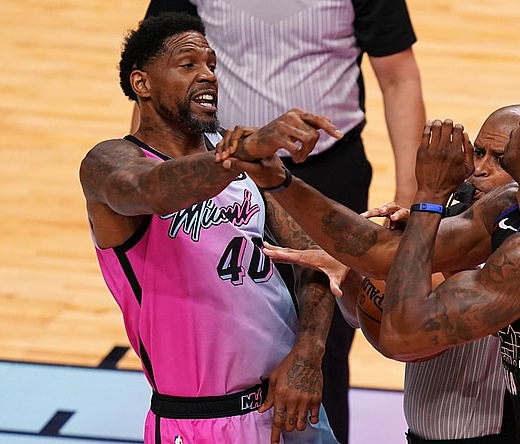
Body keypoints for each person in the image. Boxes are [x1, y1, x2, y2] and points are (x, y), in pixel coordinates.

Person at [216, 76, 520, 443]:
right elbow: (382, 253)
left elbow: (404, 332)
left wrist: (431, 197)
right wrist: (281, 183)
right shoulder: (513, 206)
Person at [138, 3, 426, 440]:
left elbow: (398, 75)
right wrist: (154, 167)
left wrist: (410, 194)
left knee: (324, 343)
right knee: (223, 324)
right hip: (220, 170)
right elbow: (156, 65)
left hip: (329, 173)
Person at [79, 12, 343, 443]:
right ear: (142, 83)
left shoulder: (240, 153)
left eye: (212, 65)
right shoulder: (109, 163)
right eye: (188, 65)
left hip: (287, 408)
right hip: (198, 421)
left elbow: (314, 256)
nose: (208, 76)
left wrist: (309, 353)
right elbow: (150, 189)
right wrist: (240, 156)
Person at [266, 104, 520, 443]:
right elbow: (367, 318)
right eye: (479, 152)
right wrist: (354, 275)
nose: (480, 169)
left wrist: (410, 251)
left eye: (501, 160)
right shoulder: (451, 210)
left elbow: (458, 323)